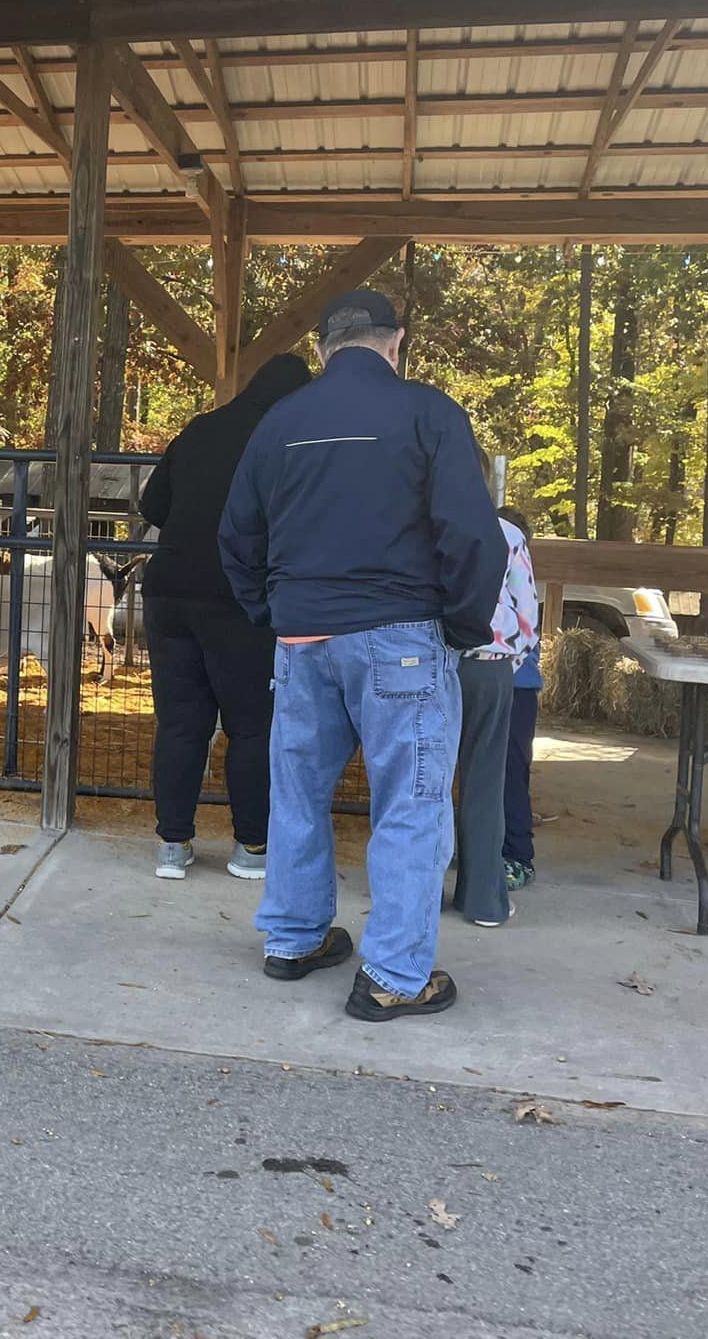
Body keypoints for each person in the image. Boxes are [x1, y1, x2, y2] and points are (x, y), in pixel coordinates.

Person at [219, 289, 505, 1022]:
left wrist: (272, 612)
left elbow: (237, 535)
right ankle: (394, 978)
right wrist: (464, 627)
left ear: (321, 347)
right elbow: (475, 535)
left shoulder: (279, 421)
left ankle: (291, 939)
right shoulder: (427, 412)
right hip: (402, 636)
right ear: (396, 341)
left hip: (302, 639)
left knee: (297, 794)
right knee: (410, 807)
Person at [138, 353, 312, 881]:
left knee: (181, 722)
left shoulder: (201, 428)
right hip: (241, 597)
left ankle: (173, 843)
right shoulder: (287, 443)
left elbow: (152, 507)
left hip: (169, 593)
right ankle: (252, 847)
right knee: (252, 726)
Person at [451, 494, 539, 927]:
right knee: (484, 783)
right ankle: (483, 899)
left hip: (429, 665)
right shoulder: (507, 535)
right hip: (488, 666)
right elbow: (527, 613)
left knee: (418, 782)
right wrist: (508, 660)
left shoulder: (417, 528)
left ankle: (412, 893)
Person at [497, 506, 543, 893]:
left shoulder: (520, 581)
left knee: (511, 771)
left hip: (516, 686)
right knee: (485, 772)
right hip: (502, 682)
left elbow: (527, 631)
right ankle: (486, 844)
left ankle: (517, 854)